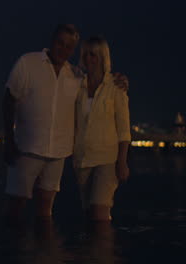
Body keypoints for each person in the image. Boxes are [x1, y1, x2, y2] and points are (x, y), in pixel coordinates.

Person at [2, 24, 127, 225]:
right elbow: (8, 99)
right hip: (26, 149)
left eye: (69, 46)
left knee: (47, 209)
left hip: (59, 155)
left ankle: (45, 252)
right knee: (15, 204)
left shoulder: (77, 76)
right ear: (52, 41)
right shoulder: (30, 63)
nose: (64, 49)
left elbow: (121, 124)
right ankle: (13, 249)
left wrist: (121, 80)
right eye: (60, 43)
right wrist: (8, 140)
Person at [73, 36, 130, 221]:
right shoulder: (76, 84)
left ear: (103, 57)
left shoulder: (115, 87)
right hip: (82, 159)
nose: (89, 59)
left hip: (107, 159)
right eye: (86, 54)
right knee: (89, 213)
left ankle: (107, 249)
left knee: (100, 211)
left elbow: (123, 129)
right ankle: (93, 250)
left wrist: (122, 161)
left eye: (94, 55)